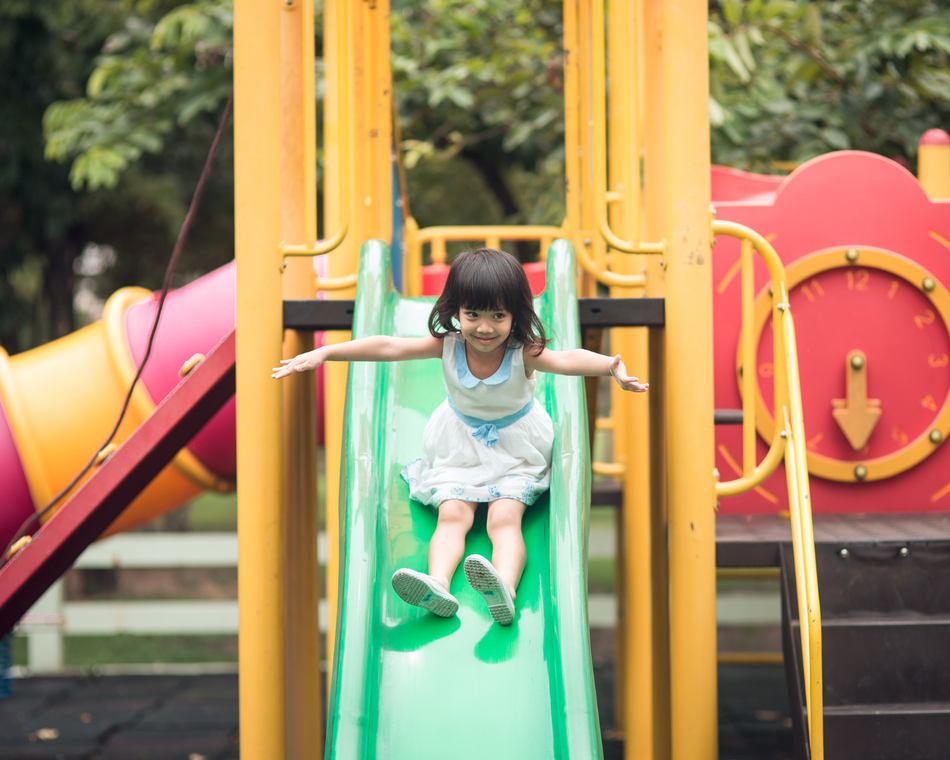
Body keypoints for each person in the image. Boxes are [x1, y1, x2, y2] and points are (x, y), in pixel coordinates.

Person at [273, 248, 647, 626]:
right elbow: (389, 346)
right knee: (451, 515)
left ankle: (504, 587)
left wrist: (609, 367)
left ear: (516, 314)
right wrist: (326, 352)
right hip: (460, 446)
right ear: (456, 311)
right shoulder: (448, 345)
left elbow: (567, 360)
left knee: (504, 518)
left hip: (516, 449)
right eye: (473, 315)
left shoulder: (523, 352)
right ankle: (437, 585)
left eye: (498, 316)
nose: (485, 328)